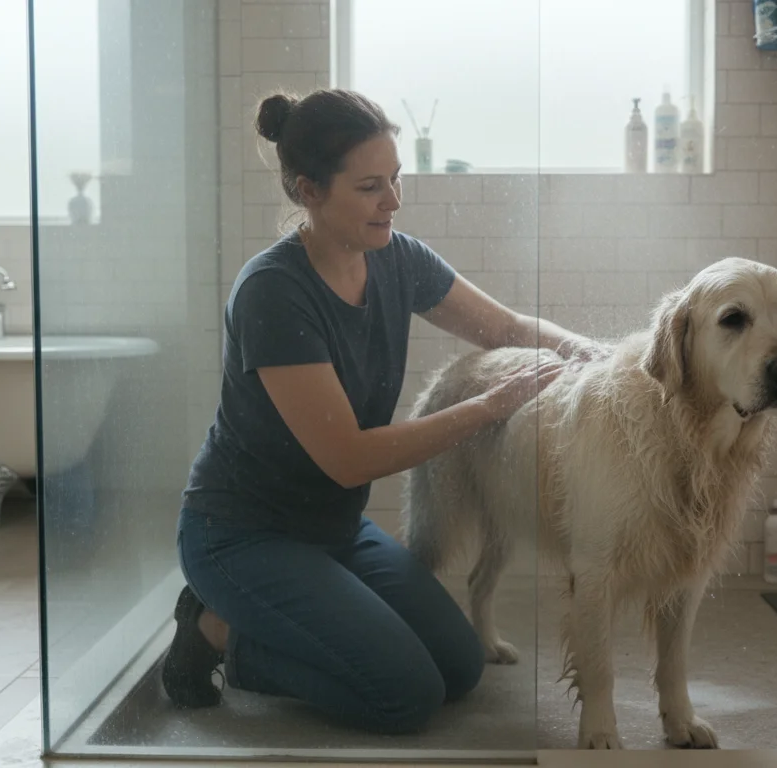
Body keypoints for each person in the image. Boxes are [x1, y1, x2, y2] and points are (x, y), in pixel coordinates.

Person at [161, 87, 606, 736]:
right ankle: (219, 632)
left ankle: (274, 614)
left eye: (396, 180)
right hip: (242, 535)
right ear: (309, 191)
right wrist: (486, 408)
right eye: (371, 187)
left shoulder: (397, 257)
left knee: (457, 668)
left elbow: (504, 329)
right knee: (404, 696)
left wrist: (601, 356)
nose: (393, 201)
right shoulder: (273, 293)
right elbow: (349, 459)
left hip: (334, 531)